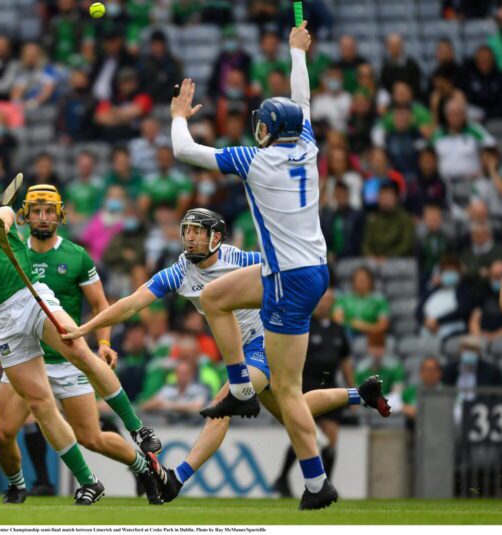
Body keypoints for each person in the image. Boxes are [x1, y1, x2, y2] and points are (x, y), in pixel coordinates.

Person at [62, 208, 389, 504]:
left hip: (266, 341)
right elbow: (132, 303)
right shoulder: (179, 272)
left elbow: (284, 278)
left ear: (216, 237)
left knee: (226, 402)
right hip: (241, 351)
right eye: (186, 231)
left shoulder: (243, 261)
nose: (189, 238)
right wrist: (85, 328)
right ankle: (360, 394)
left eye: (197, 232)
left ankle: (176, 479)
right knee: (293, 411)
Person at [165, 21, 337, 509]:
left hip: (287, 278)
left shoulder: (255, 161)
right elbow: (301, 102)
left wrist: (179, 114)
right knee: (215, 296)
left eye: (262, 124)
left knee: (285, 390)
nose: (257, 129)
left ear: (270, 131)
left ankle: (314, 483)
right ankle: (244, 391)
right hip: (306, 269)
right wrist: (296, 53)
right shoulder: (306, 144)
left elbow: (183, 150)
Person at [0, 159, 161, 505]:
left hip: (28, 295)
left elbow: (1, 221)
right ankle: (88, 481)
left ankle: (139, 429)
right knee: (39, 404)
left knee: (79, 350)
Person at [272, 288, 356, 497]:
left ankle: (326, 483)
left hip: (330, 387)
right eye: (322, 300)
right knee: (303, 434)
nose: (325, 304)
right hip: (306, 385)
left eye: (329, 300)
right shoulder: (304, 324)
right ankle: (282, 479)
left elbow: (346, 362)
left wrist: (351, 389)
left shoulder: (338, 330)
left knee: (331, 438)